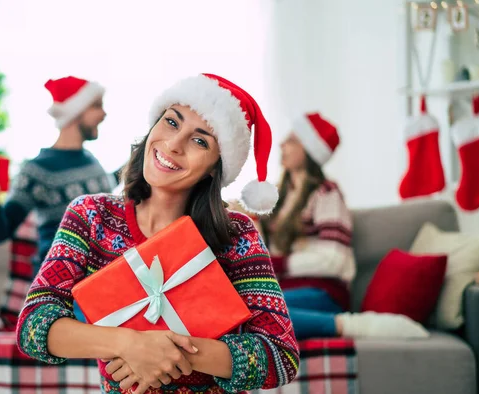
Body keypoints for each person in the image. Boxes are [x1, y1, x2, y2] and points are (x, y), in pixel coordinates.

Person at [17, 74, 299, 394]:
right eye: (171, 122)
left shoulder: (237, 234)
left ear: (213, 167)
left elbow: (280, 356)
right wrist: (130, 343)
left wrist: (166, 352)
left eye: (200, 140)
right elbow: (32, 326)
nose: (174, 144)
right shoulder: (91, 217)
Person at [234, 113, 429, 340]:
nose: (282, 144)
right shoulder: (279, 197)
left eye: (293, 140)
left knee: (252, 313)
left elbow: (333, 260)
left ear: (310, 150)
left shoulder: (327, 194)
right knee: (237, 308)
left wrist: (275, 264)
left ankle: (346, 325)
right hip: (284, 288)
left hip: (322, 292)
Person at [0, 76, 122, 273]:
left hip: (98, 273)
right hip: (59, 280)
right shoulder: (38, 171)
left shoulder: (90, 160)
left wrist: (140, 161)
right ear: (76, 111)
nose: (103, 113)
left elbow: (104, 187)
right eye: (96, 106)